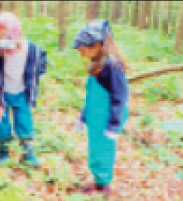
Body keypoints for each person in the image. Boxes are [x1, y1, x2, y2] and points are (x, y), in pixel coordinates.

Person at [72, 19, 130, 199]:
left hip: (107, 119)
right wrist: (83, 117)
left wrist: (114, 125)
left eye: (84, 51)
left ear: (97, 45)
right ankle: (98, 180)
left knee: (104, 151)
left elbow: (121, 96)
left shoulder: (112, 66)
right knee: (95, 150)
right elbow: (91, 97)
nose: (83, 55)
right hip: (95, 118)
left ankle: (104, 185)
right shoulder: (97, 66)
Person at [0, 12, 47, 168]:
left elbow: (41, 62)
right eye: (0, 35)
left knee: (24, 123)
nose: (4, 38)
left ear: (16, 33)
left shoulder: (30, 49)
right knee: (1, 124)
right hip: (2, 94)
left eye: (7, 35)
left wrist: (33, 78)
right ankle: (3, 152)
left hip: (21, 93)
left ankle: (28, 153)